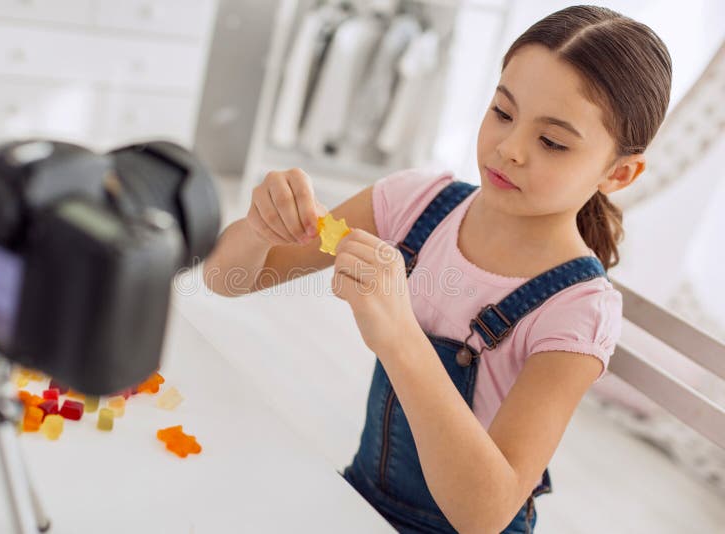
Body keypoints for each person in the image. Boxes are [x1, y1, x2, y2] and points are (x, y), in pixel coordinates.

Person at [203, 5, 672, 533]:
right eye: (502, 111)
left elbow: (486, 515)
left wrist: (400, 339)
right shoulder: (415, 204)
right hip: (362, 500)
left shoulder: (579, 311)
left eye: (552, 142)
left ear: (620, 173)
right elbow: (226, 280)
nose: (509, 148)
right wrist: (261, 227)